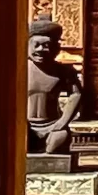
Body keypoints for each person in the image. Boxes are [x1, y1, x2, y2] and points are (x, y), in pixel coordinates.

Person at [25, 17, 86, 154]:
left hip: (53, 125)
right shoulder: (20, 70)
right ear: (27, 45)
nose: (41, 50)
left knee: (60, 139)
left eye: (47, 46)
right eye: (36, 45)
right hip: (26, 126)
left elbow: (76, 94)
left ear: (56, 48)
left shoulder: (63, 71)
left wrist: (62, 122)